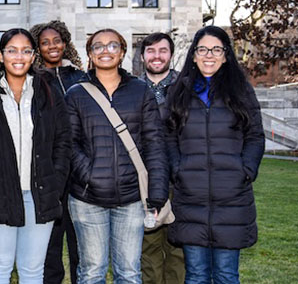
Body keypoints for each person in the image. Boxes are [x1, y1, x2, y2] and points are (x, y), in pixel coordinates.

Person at [65, 28, 168, 284]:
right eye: (97, 46)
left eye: (112, 45)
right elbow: (68, 143)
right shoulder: (76, 94)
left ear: (122, 52)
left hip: (131, 198)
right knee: (91, 272)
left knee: (129, 273)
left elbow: (154, 143)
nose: (105, 51)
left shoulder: (140, 91)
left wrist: (156, 192)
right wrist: (89, 174)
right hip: (87, 199)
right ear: (90, 54)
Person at [164, 26, 264, 284]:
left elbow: (255, 136)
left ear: (226, 55)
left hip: (232, 198)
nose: (209, 55)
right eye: (203, 49)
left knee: (226, 275)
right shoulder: (179, 91)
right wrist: (177, 169)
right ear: (194, 56)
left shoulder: (241, 90)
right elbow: (169, 136)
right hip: (190, 197)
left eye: (216, 49)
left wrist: (246, 170)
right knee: (196, 275)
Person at [0, 28, 71, 284]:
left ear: (33, 55)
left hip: (39, 195)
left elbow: (62, 141)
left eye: (26, 50)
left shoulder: (48, 92)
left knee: (32, 270)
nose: (19, 56)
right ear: (1, 55)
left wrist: (55, 182)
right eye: (12, 50)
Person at [29, 20, 84, 284]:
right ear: (38, 48)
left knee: (80, 244)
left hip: (81, 173)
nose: (52, 46)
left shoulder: (80, 77)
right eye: (45, 42)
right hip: (49, 171)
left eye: (57, 41)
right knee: (50, 243)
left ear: (65, 43)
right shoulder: (34, 80)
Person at [138, 32, 184, 284]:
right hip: (145, 179)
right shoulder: (131, 88)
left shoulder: (186, 88)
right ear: (142, 55)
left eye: (163, 50)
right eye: (151, 51)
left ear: (171, 54)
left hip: (182, 178)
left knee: (179, 248)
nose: (157, 56)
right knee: (149, 247)